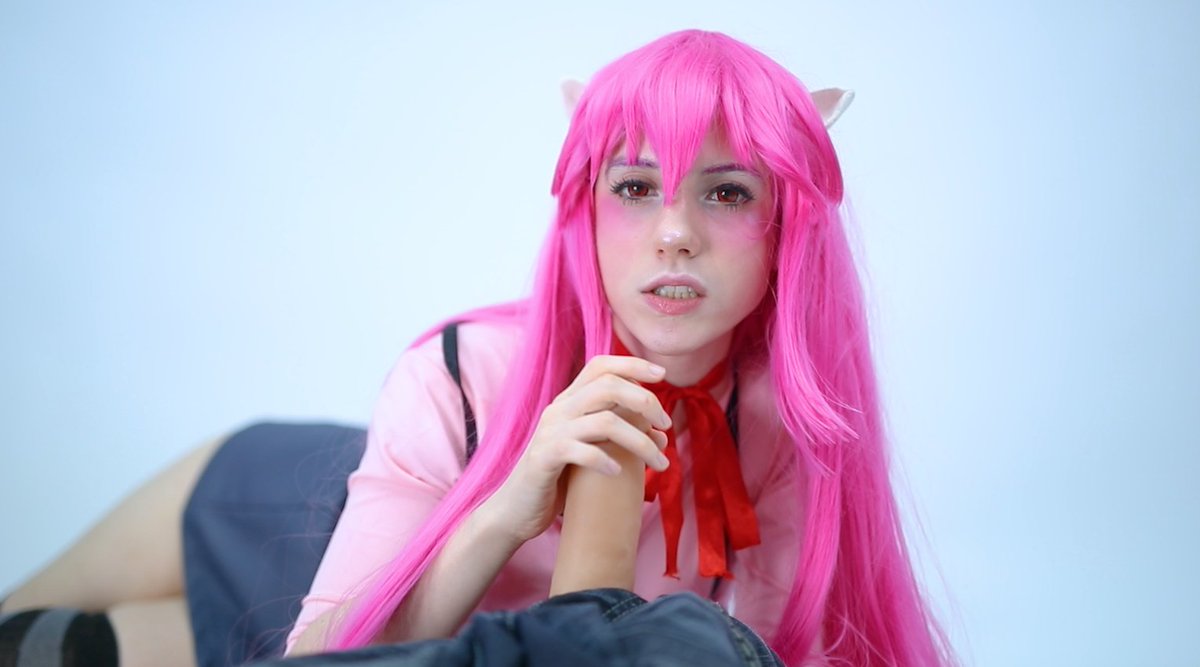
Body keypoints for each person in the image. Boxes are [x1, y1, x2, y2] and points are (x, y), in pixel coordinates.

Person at [1, 29, 954, 667]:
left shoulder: (785, 423)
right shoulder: (457, 373)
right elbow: (324, 653)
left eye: (728, 191)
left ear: (788, 224)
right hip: (297, 518)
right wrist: (507, 506)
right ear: (585, 208)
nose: (675, 233)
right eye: (634, 187)